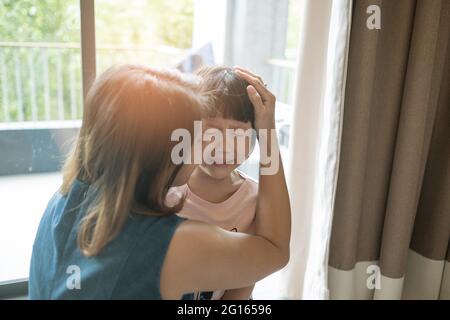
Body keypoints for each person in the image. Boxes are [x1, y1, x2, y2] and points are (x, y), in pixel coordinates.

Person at [29, 64, 291, 299]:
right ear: (163, 152)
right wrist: (268, 134)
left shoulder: (65, 200)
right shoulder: (174, 244)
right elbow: (275, 249)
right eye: (199, 133)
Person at [166, 66, 258, 300]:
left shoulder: (255, 199)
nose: (223, 145)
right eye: (210, 131)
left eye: (237, 133)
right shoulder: (168, 190)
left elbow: (247, 277)